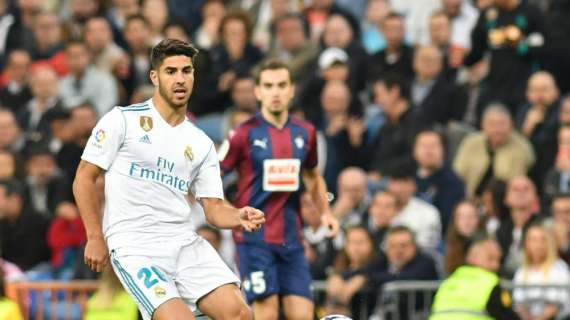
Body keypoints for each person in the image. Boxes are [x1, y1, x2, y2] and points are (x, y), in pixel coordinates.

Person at [73, 39, 265, 320]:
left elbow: (213, 208)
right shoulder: (122, 120)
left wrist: (237, 215)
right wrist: (94, 236)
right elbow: (84, 179)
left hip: (183, 241)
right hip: (134, 246)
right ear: (154, 76)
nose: (179, 79)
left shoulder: (200, 142)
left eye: (186, 71)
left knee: (239, 314)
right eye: (171, 71)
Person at [220, 59, 339, 320]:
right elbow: (212, 176)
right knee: (267, 314)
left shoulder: (306, 133)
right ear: (258, 92)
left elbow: (312, 176)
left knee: (304, 315)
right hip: (254, 242)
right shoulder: (242, 133)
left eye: (281, 85)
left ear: (291, 90)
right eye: (269, 86)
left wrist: (326, 213)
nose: (275, 92)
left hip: (291, 240)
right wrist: (230, 213)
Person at [430, 238, 520, 319]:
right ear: (473, 257)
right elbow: (507, 315)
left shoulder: (449, 281)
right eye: (490, 258)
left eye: (498, 260)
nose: (496, 265)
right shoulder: (490, 282)